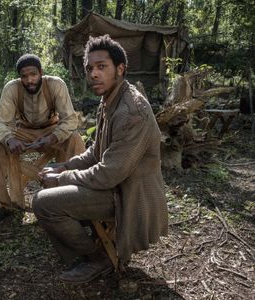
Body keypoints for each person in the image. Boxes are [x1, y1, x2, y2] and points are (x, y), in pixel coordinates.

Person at [32, 35, 168, 284]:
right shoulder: (110, 99)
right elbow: (96, 151)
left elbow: (108, 174)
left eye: (102, 67)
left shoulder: (131, 111)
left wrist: (61, 178)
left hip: (129, 195)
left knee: (43, 203)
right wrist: (64, 166)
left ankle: (100, 257)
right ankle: (90, 243)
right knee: (51, 178)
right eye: (90, 68)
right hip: (115, 185)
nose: (94, 74)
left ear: (120, 69)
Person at [0, 54, 86, 226]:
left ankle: (73, 197)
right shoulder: (12, 88)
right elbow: (0, 123)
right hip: (23, 131)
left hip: (52, 130)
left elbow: (70, 120)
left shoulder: (55, 84)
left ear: (41, 72)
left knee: (75, 138)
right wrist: (10, 139)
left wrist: (53, 137)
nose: (29, 80)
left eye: (33, 74)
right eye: (24, 77)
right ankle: (3, 204)